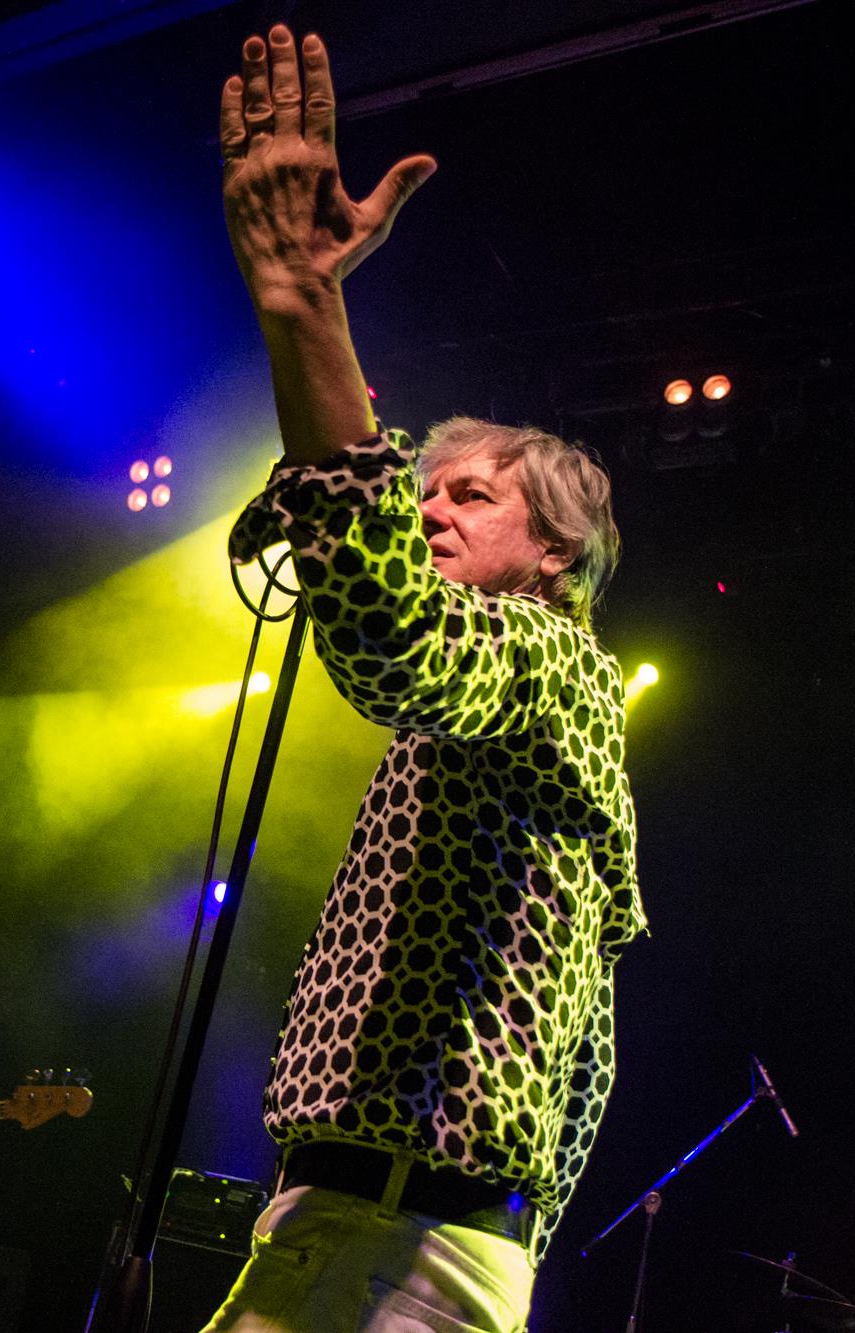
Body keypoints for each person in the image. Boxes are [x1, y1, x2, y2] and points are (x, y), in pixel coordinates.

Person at [208, 24, 645, 1333]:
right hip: (346, 1220)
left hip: (416, 1245)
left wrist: (304, 302)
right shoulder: (478, 719)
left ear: (556, 548)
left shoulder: (553, 662)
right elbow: (586, 1049)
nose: (429, 508)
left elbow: (392, 632)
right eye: (423, 490)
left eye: (468, 494)